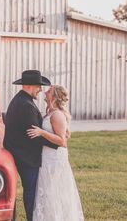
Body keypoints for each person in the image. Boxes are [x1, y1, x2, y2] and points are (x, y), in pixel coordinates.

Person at [3, 70, 59, 221]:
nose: (41, 89)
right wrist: (58, 143)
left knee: (31, 191)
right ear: (29, 86)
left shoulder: (21, 100)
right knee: (31, 192)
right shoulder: (26, 105)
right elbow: (33, 135)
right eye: (38, 86)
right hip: (26, 158)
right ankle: (31, 218)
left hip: (21, 154)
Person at [27, 85, 84, 221]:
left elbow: (61, 141)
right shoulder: (50, 112)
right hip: (47, 157)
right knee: (47, 191)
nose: (45, 91)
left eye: (49, 91)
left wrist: (41, 132)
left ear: (54, 96)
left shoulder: (57, 115)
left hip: (55, 159)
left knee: (55, 191)